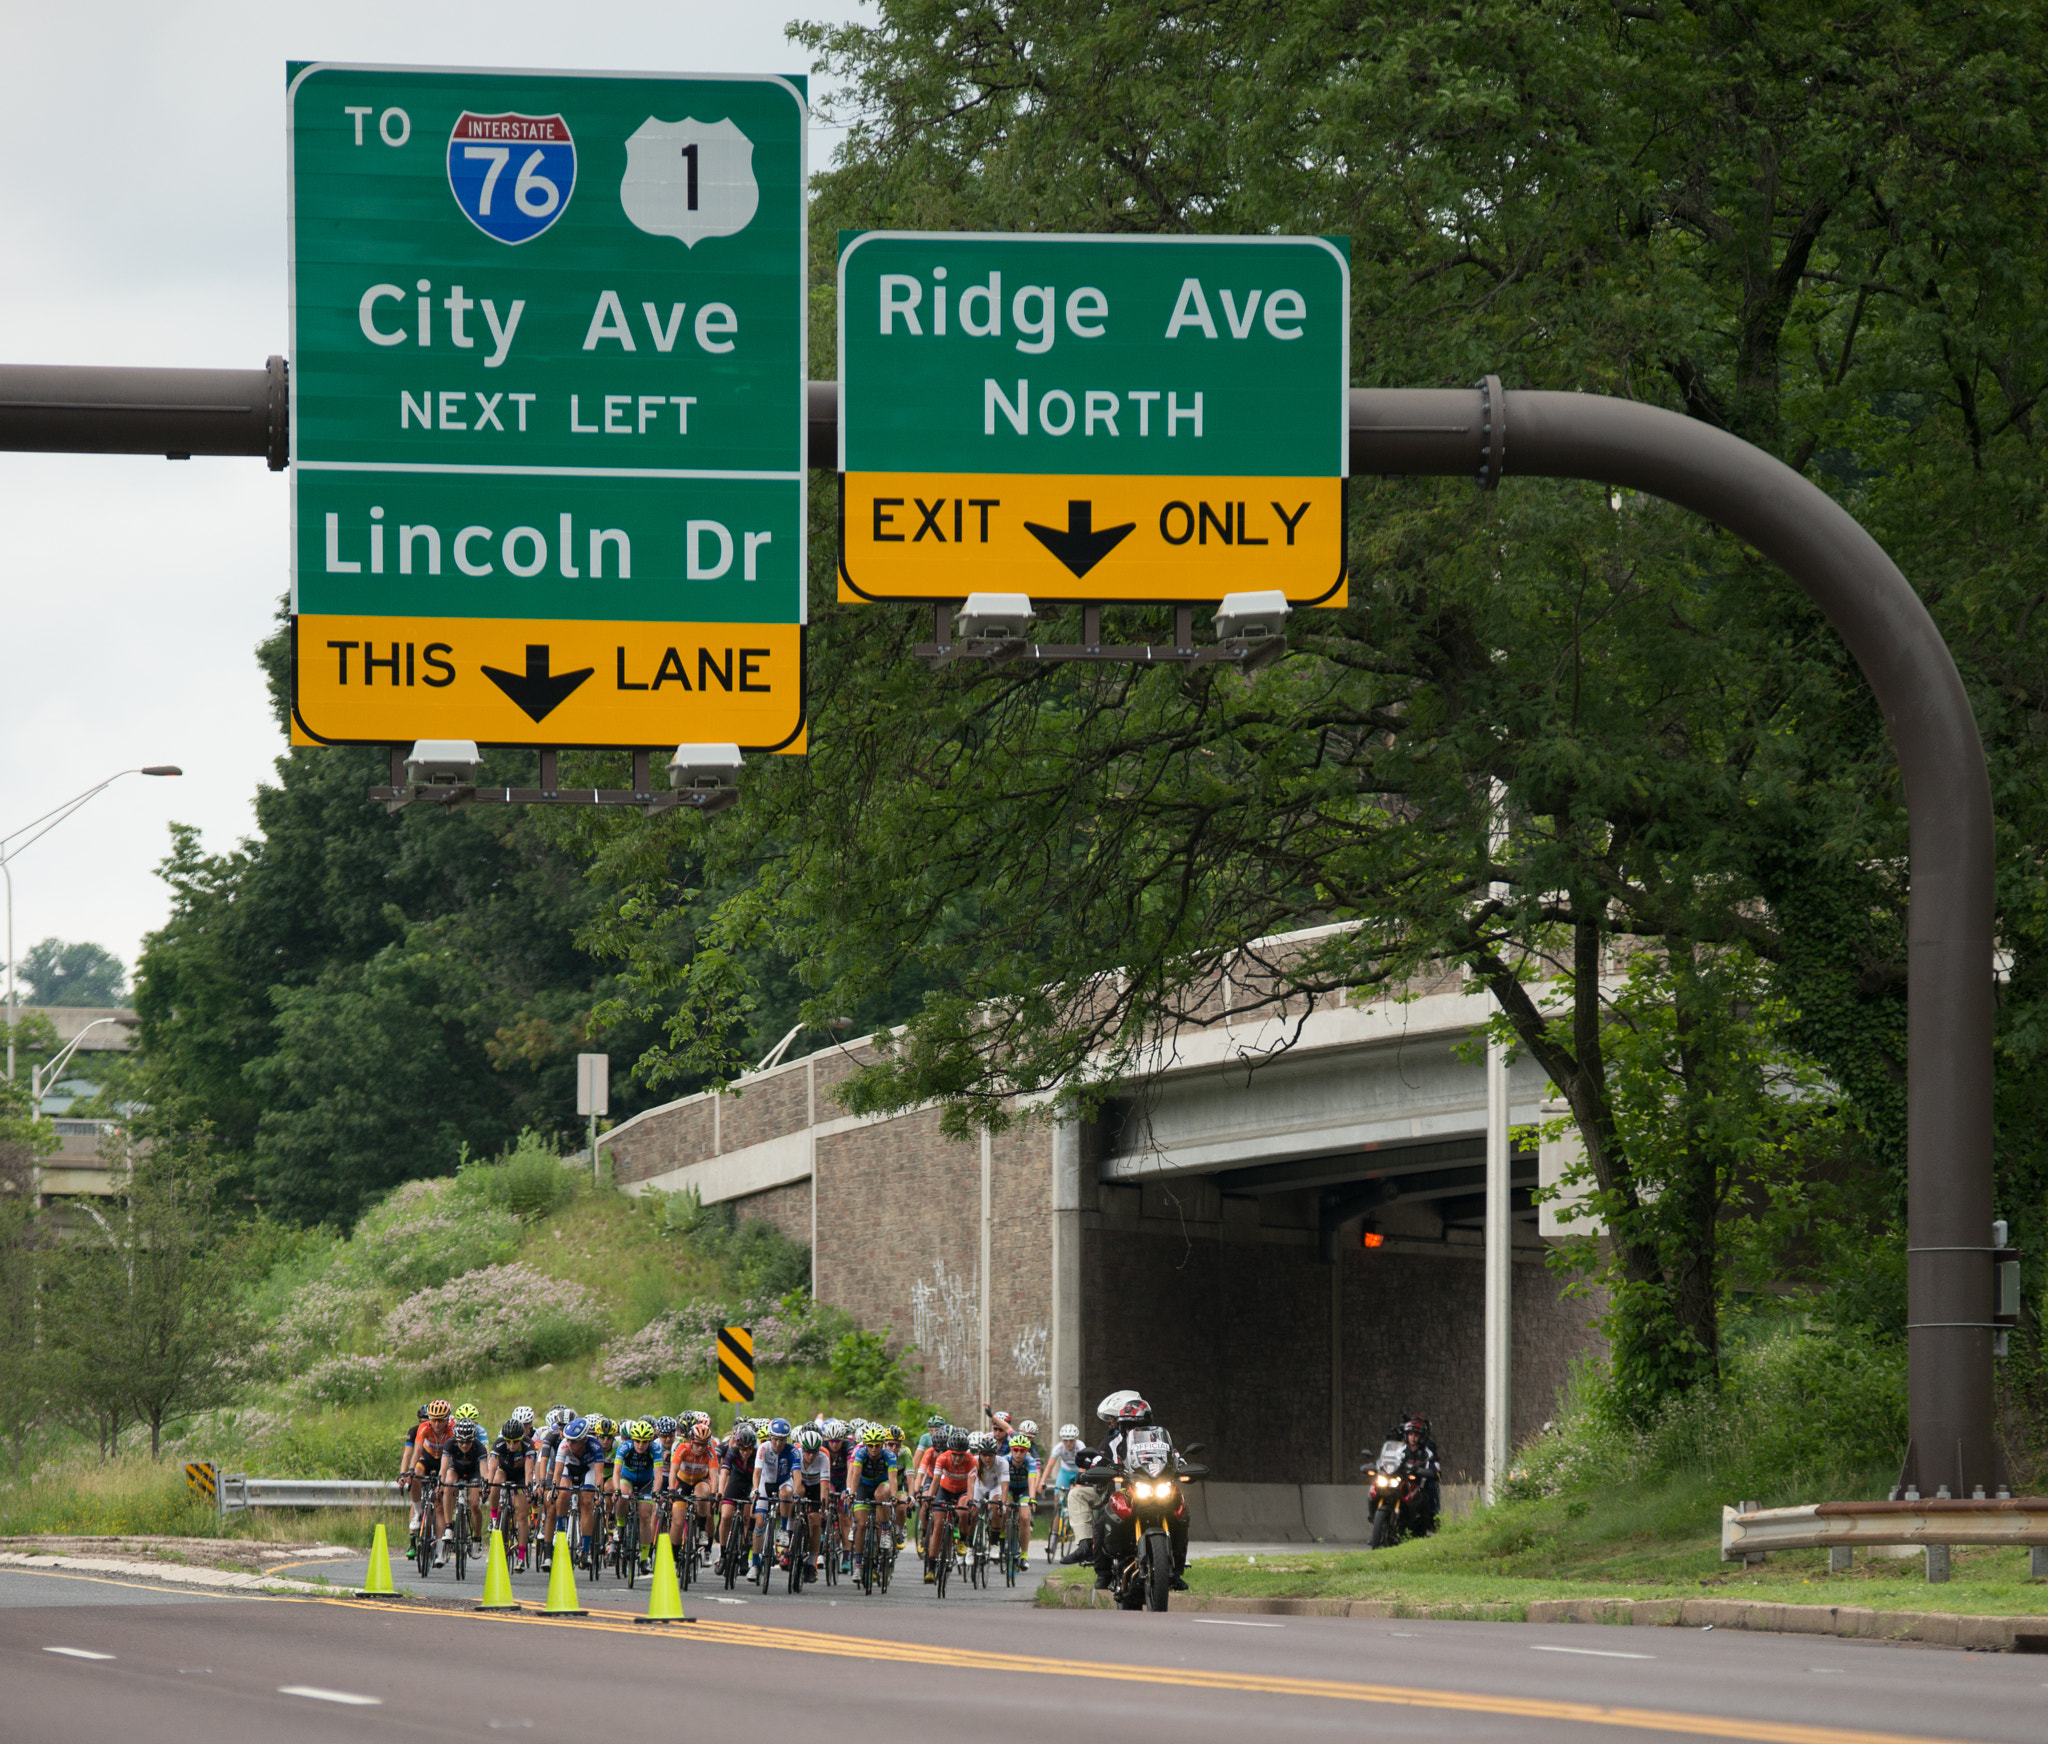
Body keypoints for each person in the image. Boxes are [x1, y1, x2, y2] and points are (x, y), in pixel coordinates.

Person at [1088, 1392, 1190, 1593]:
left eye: (1135, 1425)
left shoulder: (1160, 1442)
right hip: (1125, 1492)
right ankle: (1103, 1573)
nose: (1130, 1429)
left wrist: (1185, 1468)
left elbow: (1176, 1457)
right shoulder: (1112, 1443)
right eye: (1126, 1425)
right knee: (1101, 1523)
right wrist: (1096, 1469)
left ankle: (1176, 1570)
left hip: (1158, 1489)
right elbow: (1098, 1461)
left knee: (1182, 1514)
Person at [1395, 1414, 1442, 1534]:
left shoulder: (1428, 1452)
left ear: (1422, 1437)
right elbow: (1390, 1461)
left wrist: (1422, 1471)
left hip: (1419, 1486)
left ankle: (1433, 1516)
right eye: (1410, 1434)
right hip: (1400, 1483)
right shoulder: (1399, 1450)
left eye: (1416, 1435)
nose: (1413, 1438)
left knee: (1431, 1487)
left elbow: (1436, 1471)